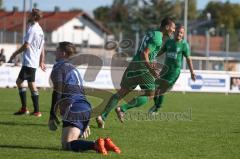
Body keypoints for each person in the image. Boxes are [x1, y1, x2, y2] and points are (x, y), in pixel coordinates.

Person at [96, 17, 176, 128]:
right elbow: (145, 53)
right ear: (167, 27)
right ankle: (122, 109)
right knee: (150, 95)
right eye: (173, 28)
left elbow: (146, 52)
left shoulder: (152, 33)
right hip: (143, 67)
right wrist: (151, 69)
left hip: (133, 64)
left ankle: (102, 116)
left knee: (121, 92)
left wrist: (152, 61)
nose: (174, 30)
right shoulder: (158, 39)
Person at [48, 42, 121, 155]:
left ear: (63, 53)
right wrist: (85, 121)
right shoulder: (73, 68)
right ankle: (106, 143)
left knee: (67, 144)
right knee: (72, 141)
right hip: (84, 106)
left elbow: (57, 91)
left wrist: (52, 115)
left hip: (73, 106)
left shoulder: (59, 67)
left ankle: (95, 144)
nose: (54, 52)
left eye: (57, 50)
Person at [145, 24, 196, 114]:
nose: (179, 34)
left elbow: (188, 59)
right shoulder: (169, 42)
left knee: (162, 89)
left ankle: (156, 108)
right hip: (165, 70)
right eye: (178, 32)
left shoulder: (184, 45)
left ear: (183, 34)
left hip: (174, 72)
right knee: (154, 89)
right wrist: (151, 56)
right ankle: (157, 105)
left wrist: (192, 72)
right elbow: (161, 51)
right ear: (174, 31)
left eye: (181, 33)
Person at [8, 8, 45, 117]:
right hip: (33, 61)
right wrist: (41, 60)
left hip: (29, 61)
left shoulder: (32, 29)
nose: (28, 16)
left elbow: (26, 45)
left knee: (20, 82)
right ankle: (33, 110)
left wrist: (15, 53)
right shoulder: (40, 30)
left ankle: (28, 109)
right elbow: (42, 47)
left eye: (30, 14)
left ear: (34, 16)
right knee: (30, 83)